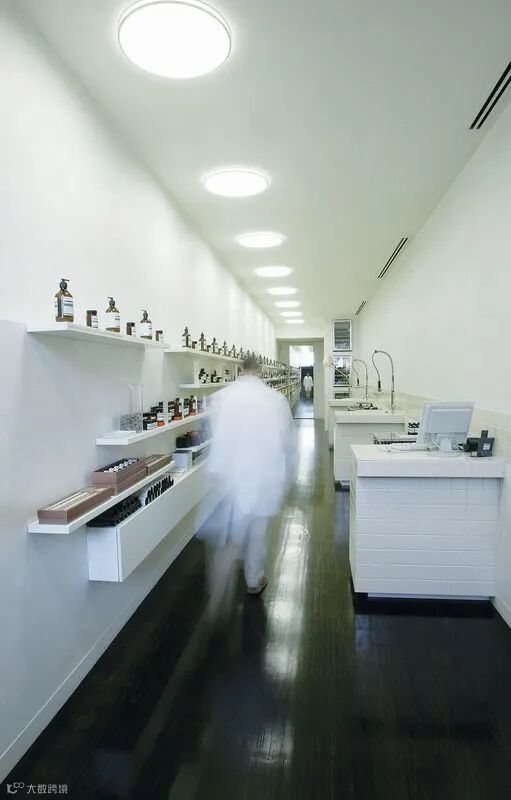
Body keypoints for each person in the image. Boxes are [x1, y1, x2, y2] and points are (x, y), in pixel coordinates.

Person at [206, 356, 296, 595]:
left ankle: (222, 582)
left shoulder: (222, 397)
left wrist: (217, 473)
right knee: (257, 530)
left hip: (232, 475)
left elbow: (216, 437)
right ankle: (253, 580)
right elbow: (287, 442)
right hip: (263, 475)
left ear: (240, 370)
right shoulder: (274, 399)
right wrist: (288, 477)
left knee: (232, 527)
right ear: (260, 371)